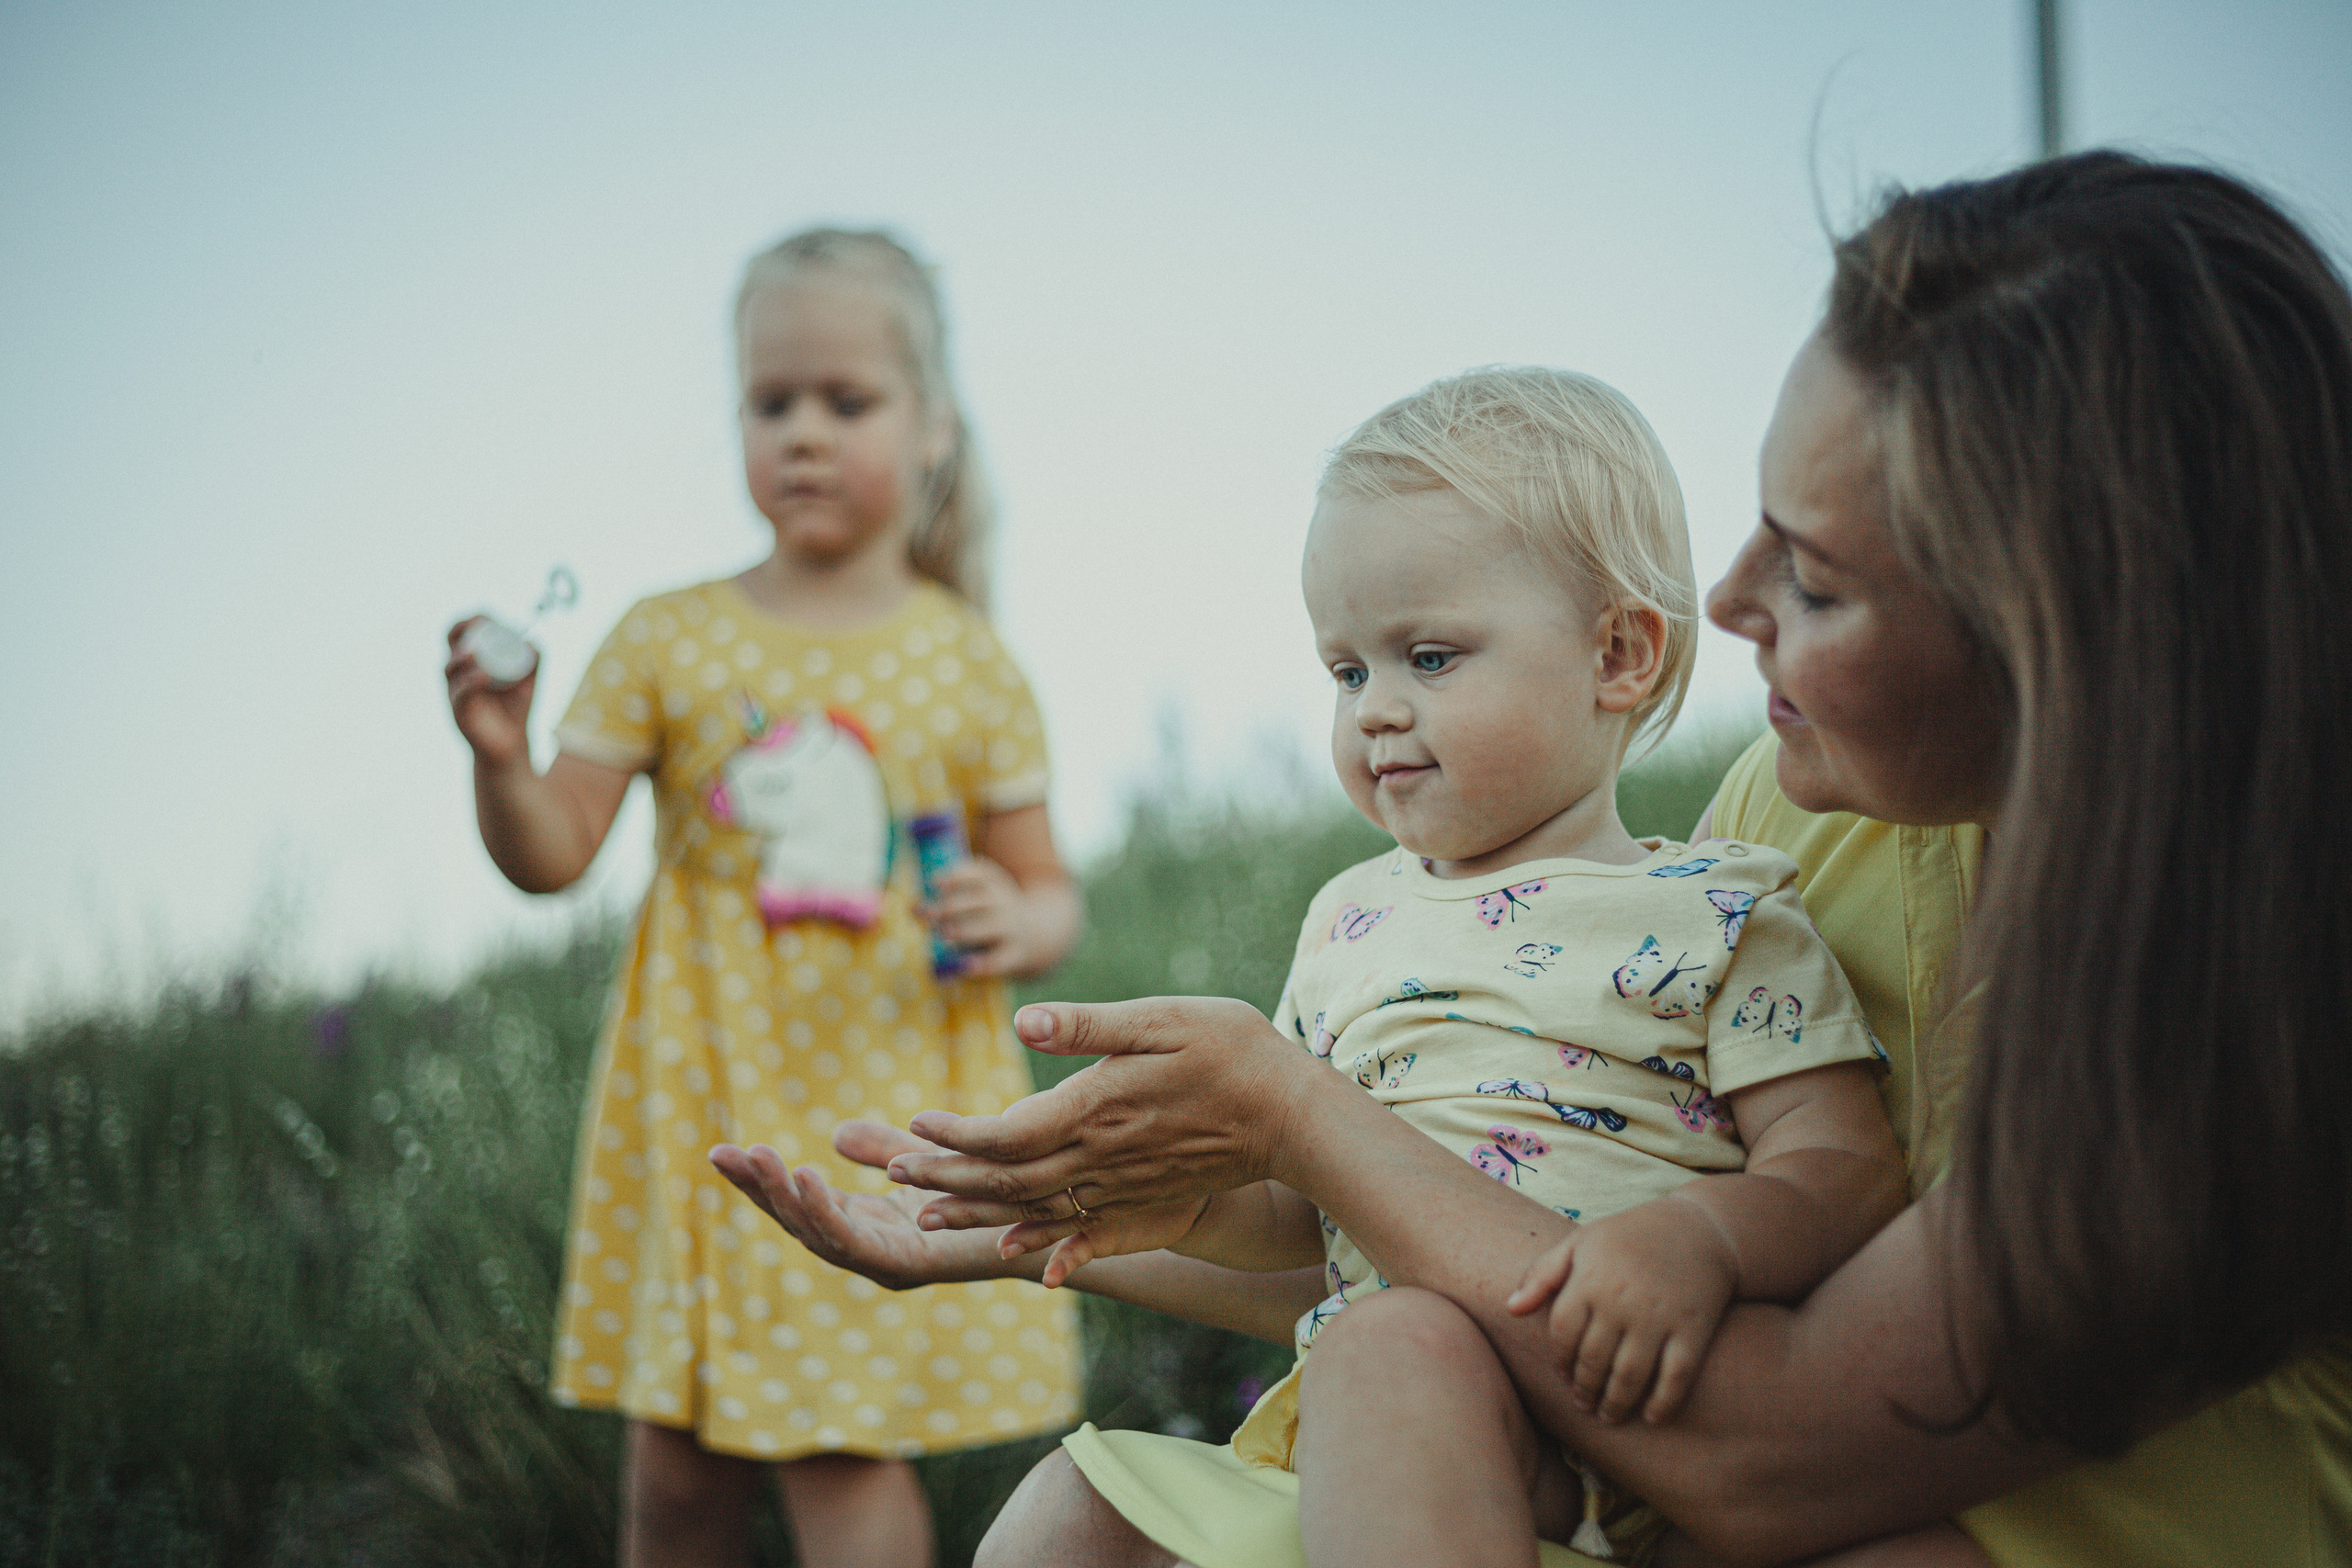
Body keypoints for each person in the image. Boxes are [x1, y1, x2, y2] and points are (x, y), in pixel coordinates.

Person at [820, 152, 2352, 1566]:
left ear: (2064, 644)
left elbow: (1765, 1415)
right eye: (1346, 670)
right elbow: (1439, 1216)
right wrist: (1047, 1227)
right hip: (1606, 1459)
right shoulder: (1799, 807)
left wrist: (1295, 1111)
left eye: (1816, 577)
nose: (1729, 596)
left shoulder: (2253, 1008)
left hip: (1835, 1513)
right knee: (1070, 1522)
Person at [721, 366, 1921, 1565]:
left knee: (1397, 1340)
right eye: (1346, 671)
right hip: (1387, 1446)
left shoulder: (1717, 906)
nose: (1376, 711)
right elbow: (1303, 1208)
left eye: (1431, 658)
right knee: (1063, 1514)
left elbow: (1846, 1175)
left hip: (1632, 1444)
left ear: (1617, 655)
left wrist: (1706, 1243)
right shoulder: (1354, 921)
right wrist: (1003, 1216)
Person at [442, 228, 1085, 1568]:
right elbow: (551, 852)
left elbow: (1048, 895)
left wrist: (1010, 921)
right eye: (770, 400)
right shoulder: (666, 637)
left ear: (931, 430)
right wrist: (503, 760)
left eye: (845, 402)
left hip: (873, 1122)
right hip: (697, 1111)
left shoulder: (967, 662)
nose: (802, 432)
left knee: (841, 1463)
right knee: (672, 1481)